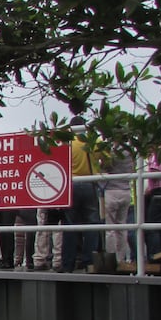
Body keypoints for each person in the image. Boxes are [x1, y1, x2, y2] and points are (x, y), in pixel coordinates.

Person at [61, 116, 103, 273]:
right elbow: (106, 159)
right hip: (89, 183)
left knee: (70, 225)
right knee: (92, 224)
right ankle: (88, 262)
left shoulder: (67, 142)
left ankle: (68, 263)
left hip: (71, 184)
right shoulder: (93, 140)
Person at [103, 147, 135, 263]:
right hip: (126, 191)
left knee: (110, 228)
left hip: (111, 191)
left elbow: (104, 167)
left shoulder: (110, 151)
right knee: (122, 227)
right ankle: (121, 258)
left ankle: (111, 259)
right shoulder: (130, 152)